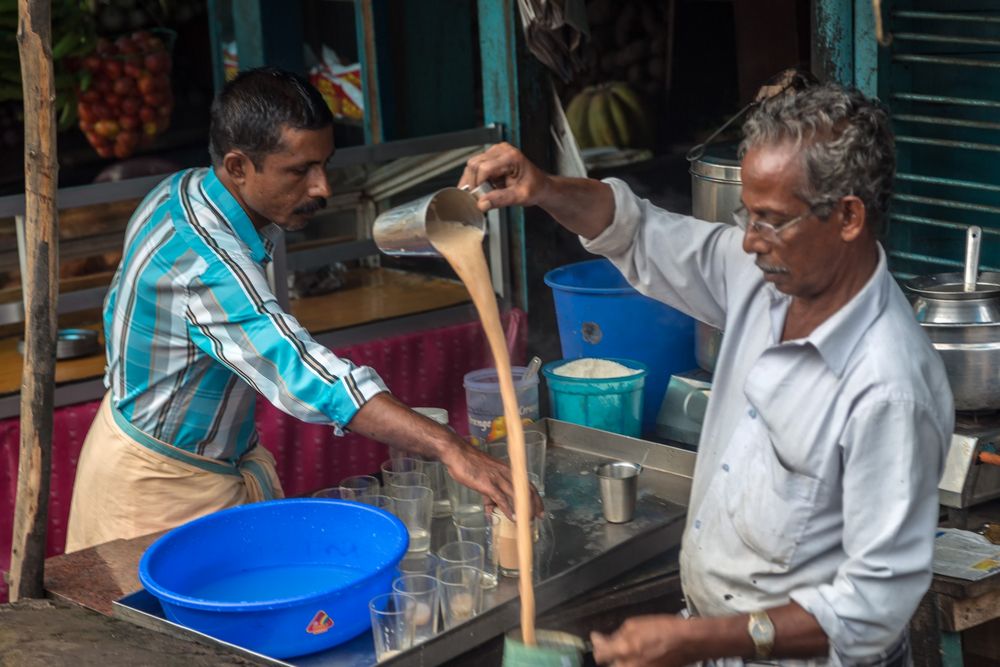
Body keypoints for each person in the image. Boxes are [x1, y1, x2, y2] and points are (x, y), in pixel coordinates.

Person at [460, 83, 953, 665]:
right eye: (748, 213)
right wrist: (542, 188)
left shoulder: (890, 387)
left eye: (771, 220)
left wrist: (697, 639)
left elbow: (870, 611)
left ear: (847, 217)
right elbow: (638, 231)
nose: (748, 239)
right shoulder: (764, 276)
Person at [66, 67, 538, 553]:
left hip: (174, 458)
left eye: (324, 165)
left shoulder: (185, 189)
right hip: (158, 492)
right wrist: (451, 447)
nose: (323, 188)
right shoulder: (206, 263)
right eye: (299, 172)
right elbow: (307, 374)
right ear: (238, 167)